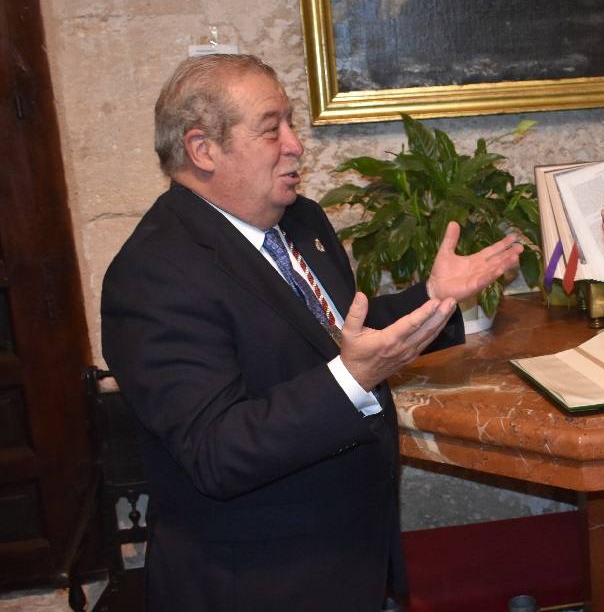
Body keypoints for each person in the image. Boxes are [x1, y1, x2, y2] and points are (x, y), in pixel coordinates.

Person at [101, 54, 521, 611]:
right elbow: (217, 450)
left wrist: (434, 297)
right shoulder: (154, 274)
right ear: (203, 150)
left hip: (350, 557)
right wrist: (353, 378)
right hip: (260, 583)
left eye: (292, 123)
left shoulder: (300, 221)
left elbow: (336, 336)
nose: (297, 144)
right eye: (272, 129)